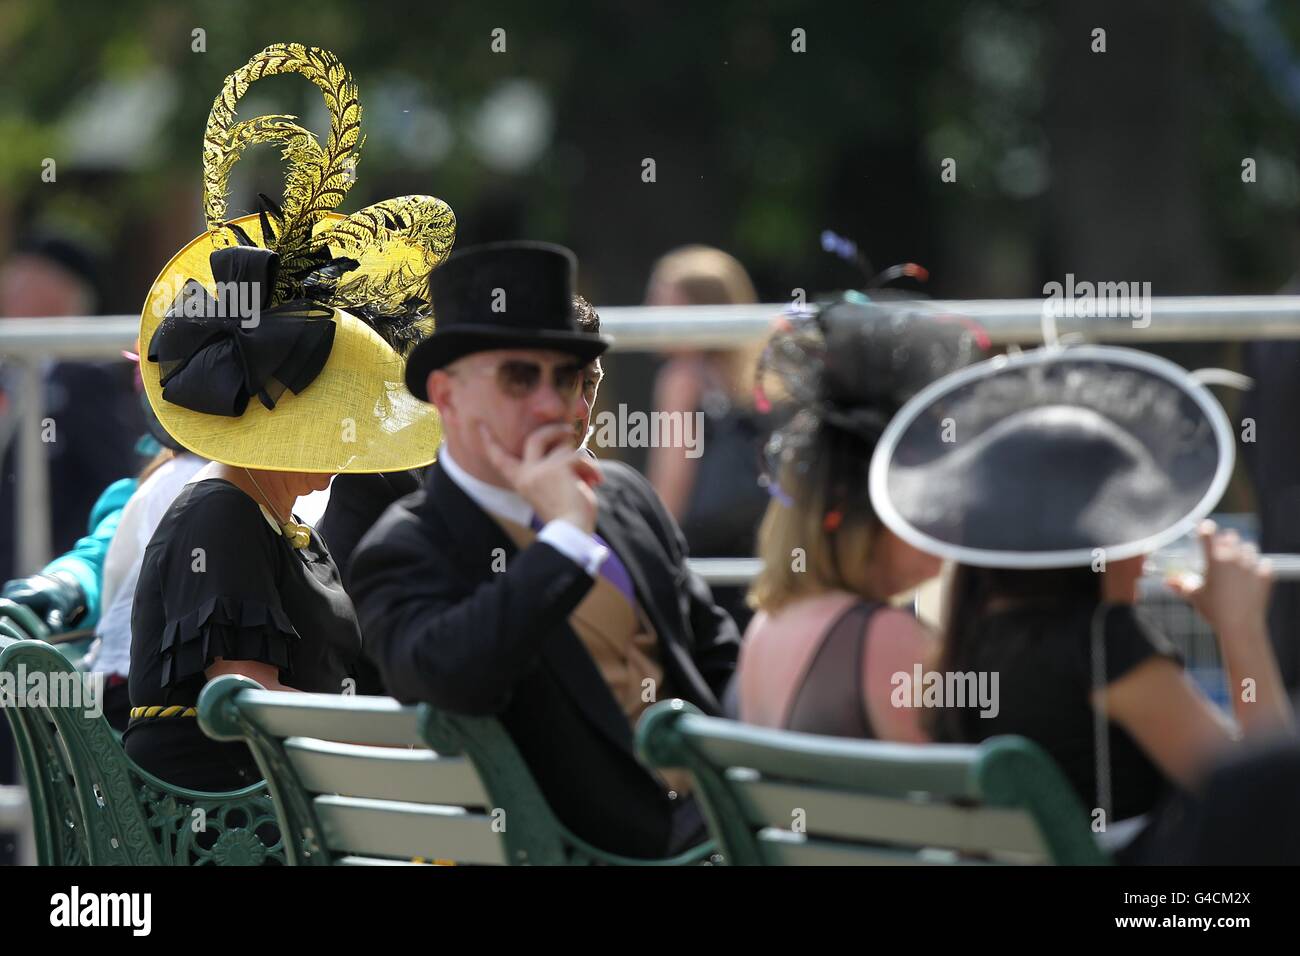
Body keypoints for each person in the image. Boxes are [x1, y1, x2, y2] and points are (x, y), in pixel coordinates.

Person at [124, 41, 456, 790]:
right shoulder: (222, 518)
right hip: (241, 829)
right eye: (336, 418)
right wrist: (395, 757)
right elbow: (250, 711)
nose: (350, 442)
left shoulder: (274, 522)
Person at [349, 241, 740, 859]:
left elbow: (716, 659)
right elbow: (451, 680)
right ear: (446, 395)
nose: (555, 404)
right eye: (519, 377)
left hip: (718, 823)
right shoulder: (405, 546)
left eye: (567, 378)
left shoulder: (624, 497)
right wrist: (561, 540)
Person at [868, 344, 1295, 860]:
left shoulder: (972, 640)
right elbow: (1268, 796)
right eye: (1133, 524)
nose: (1144, 552)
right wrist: (1241, 628)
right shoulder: (1101, 645)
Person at [737, 298, 986, 740]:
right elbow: (958, 804)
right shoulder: (887, 639)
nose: (949, 521)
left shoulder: (764, 627)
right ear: (860, 517)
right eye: (925, 500)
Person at [318, 294, 606, 585]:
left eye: (589, 384)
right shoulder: (383, 483)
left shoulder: (608, 493)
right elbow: (357, 626)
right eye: (560, 382)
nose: (581, 408)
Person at [0, 234, 146, 584]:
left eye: (24, 277)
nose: (9, 286)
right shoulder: (11, 369)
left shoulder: (86, 380)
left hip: (48, 577)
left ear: (57, 291)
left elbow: (112, 477)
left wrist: (69, 574)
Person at [644, 245, 770, 630]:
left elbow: (670, 492)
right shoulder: (767, 380)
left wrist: (647, 562)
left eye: (664, 302)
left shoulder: (681, 379)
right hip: (764, 559)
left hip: (704, 564)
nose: (650, 313)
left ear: (699, 308)